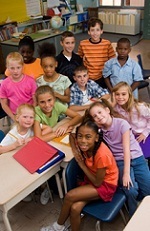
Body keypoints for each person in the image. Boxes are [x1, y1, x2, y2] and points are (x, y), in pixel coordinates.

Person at [41, 119, 119, 231]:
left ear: (96, 138)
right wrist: (75, 151)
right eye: (80, 136)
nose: (82, 141)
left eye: (88, 137)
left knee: (69, 196)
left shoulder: (102, 155)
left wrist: (81, 164)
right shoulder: (83, 142)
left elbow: (98, 183)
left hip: (105, 185)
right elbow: (72, 136)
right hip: (92, 179)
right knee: (75, 208)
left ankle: (57, 227)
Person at [88, 99, 150, 216]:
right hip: (120, 161)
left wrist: (126, 173)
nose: (99, 117)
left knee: (148, 189)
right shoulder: (100, 131)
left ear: (107, 110)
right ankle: (134, 215)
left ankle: (141, 200)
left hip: (136, 157)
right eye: (95, 116)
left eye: (100, 112)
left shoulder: (122, 123)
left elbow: (126, 150)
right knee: (130, 190)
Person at [112, 81, 150, 165]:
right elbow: (107, 114)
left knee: (143, 156)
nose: (120, 97)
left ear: (129, 94)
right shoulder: (116, 108)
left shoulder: (139, 107)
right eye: (117, 94)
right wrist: (113, 103)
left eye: (123, 94)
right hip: (131, 136)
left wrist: (145, 133)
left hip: (144, 133)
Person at [78, 17, 115, 88]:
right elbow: (79, 58)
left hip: (103, 76)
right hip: (88, 77)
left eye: (97, 30)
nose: (95, 33)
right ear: (88, 32)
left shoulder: (107, 43)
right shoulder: (83, 44)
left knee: (103, 96)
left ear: (101, 31)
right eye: (92, 30)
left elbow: (112, 60)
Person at [0, 52, 37, 122]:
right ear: (7, 67)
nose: (15, 71)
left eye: (18, 67)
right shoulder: (4, 84)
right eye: (12, 68)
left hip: (30, 114)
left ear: (23, 66)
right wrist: (13, 117)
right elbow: (4, 104)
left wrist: (31, 114)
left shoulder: (31, 81)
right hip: (14, 115)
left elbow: (35, 101)